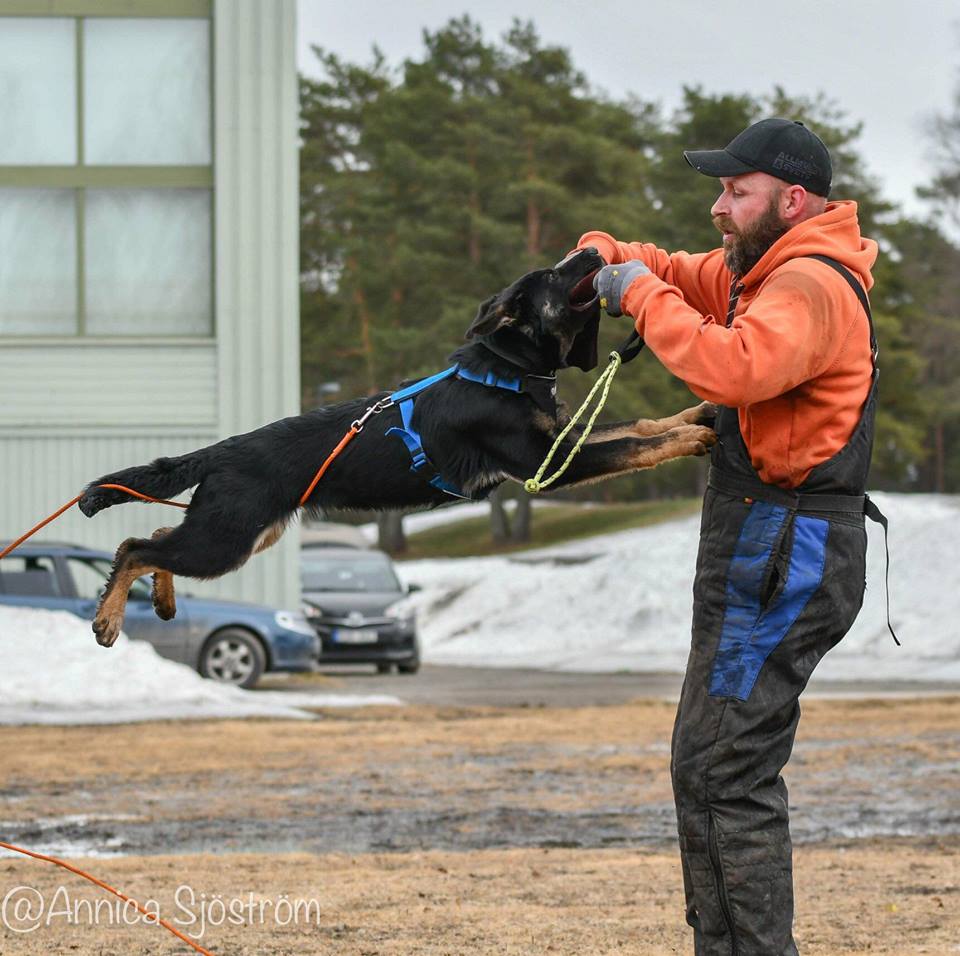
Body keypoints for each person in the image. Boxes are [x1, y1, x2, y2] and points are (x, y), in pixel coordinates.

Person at [571, 118, 883, 954]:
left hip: (785, 549)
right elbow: (673, 271)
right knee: (710, 768)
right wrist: (602, 255)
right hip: (771, 542)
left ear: (792, 198)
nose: (718, 207)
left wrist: (637, 295)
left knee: (724, 771)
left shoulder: (807, 287)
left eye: (735, 192)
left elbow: (732, 368)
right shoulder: (765, 267)